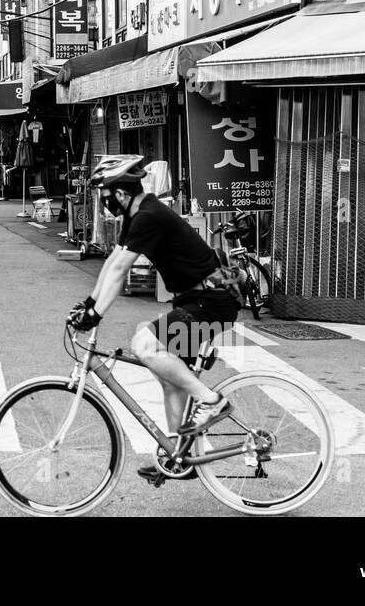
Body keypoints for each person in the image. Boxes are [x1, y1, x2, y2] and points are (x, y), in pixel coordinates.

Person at [66, 153, 242, 487]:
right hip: (197, 300)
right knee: (169, 378)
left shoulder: (149, 215)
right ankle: (179, 455)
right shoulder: (137, 215)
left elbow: (121, 270)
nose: (104, 201)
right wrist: (89, 303)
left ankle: (212, 401)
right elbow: (113, 261)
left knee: (145, 344)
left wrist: (96, 314)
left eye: (105, 193)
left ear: (120, 193)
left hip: (211, 301)